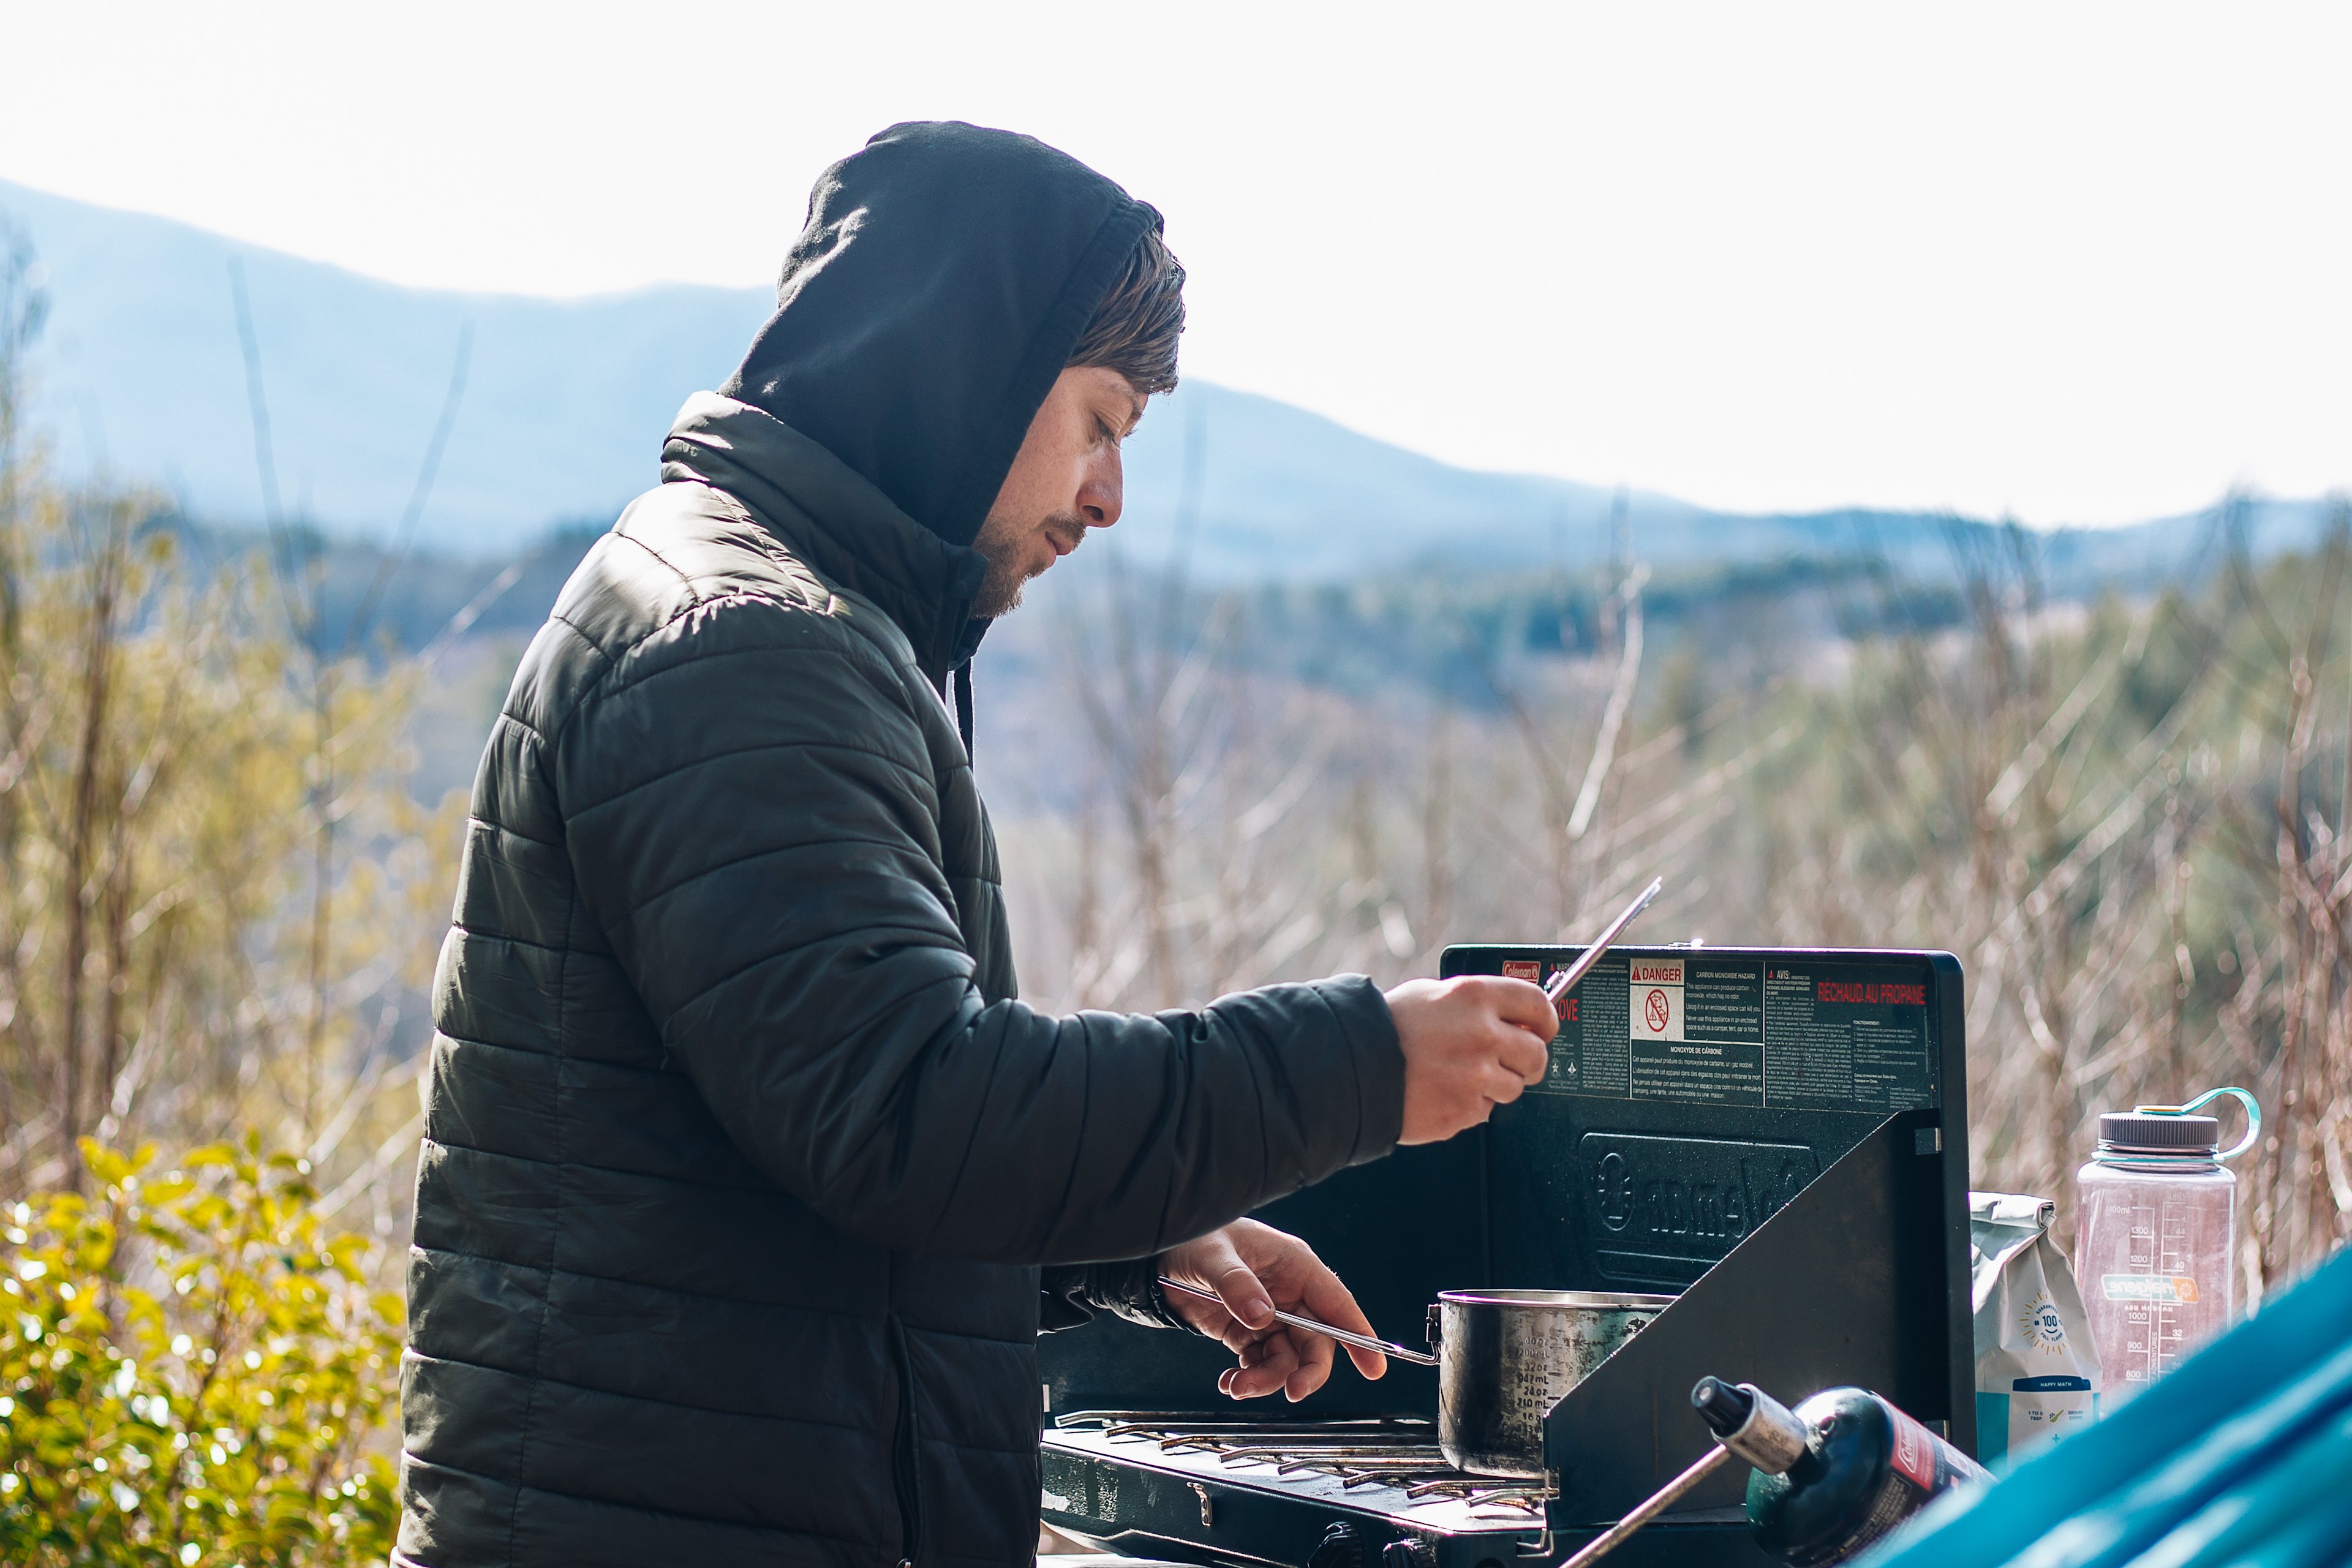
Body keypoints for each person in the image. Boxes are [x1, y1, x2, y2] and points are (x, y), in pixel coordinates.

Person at [396, 121, 1558, 1568]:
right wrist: (1360, 1062)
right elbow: (912, 1112)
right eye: (1101, 422)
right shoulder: (744, 647)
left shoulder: (760, 610)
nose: (1108, 497)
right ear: (968, 377)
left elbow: (800, 1145)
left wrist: (1137, 1241)